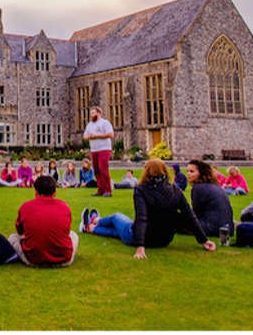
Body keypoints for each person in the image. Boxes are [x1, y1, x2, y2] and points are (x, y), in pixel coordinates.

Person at [81, 159, 216, 259]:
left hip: (142, 237)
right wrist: (203, 240)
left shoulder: (142, 189)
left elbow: (142, 217)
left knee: (117, 217)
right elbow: (190, 216)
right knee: (116, 232)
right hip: (164, 240)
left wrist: (140, 246)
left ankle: (95, 220)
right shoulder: (175, 190)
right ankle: (90, 227)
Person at [8, 175, 78, 268]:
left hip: (33, 260)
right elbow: (67, 230)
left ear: (35, 192)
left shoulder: (26, 207)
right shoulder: (64, 207)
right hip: (64, 259)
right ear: (55, 193)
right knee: (73, 235)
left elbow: (20, 231)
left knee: (13, 237)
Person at [185, 159, 234, 237]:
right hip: (228, 229)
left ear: (201, 173)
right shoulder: (216, 186)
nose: (188, 174)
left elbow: (196, 213)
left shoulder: (198, 188)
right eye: (187, 171)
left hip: (212, 228)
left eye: (192, 171)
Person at [83, 106, 114, 197]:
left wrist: (96, 136)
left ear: (98, 113)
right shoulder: (89, 125)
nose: (91, 115)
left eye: (93, 113)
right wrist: (89, 137)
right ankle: (100, 189)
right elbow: (85, 136)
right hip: (94, 149)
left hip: (104, 148)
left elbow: (110, 134)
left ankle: (108, 190)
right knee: (96, 170)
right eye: (90, 113)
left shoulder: (105, 123)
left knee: (103, 168)